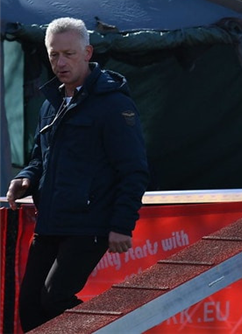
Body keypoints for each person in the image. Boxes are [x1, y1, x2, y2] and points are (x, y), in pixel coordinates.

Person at [5, 17, 150, 331]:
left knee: (54, 298)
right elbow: (39, 158)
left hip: (90, 225)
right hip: (50, 222)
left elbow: (134, 170)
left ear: (88, 52)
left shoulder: (113, 105)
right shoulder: (50, 104)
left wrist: (122, 225)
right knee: (30, 307)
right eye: (54, 54)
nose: (60, 62)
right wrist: (25, 178)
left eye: (69, 54)